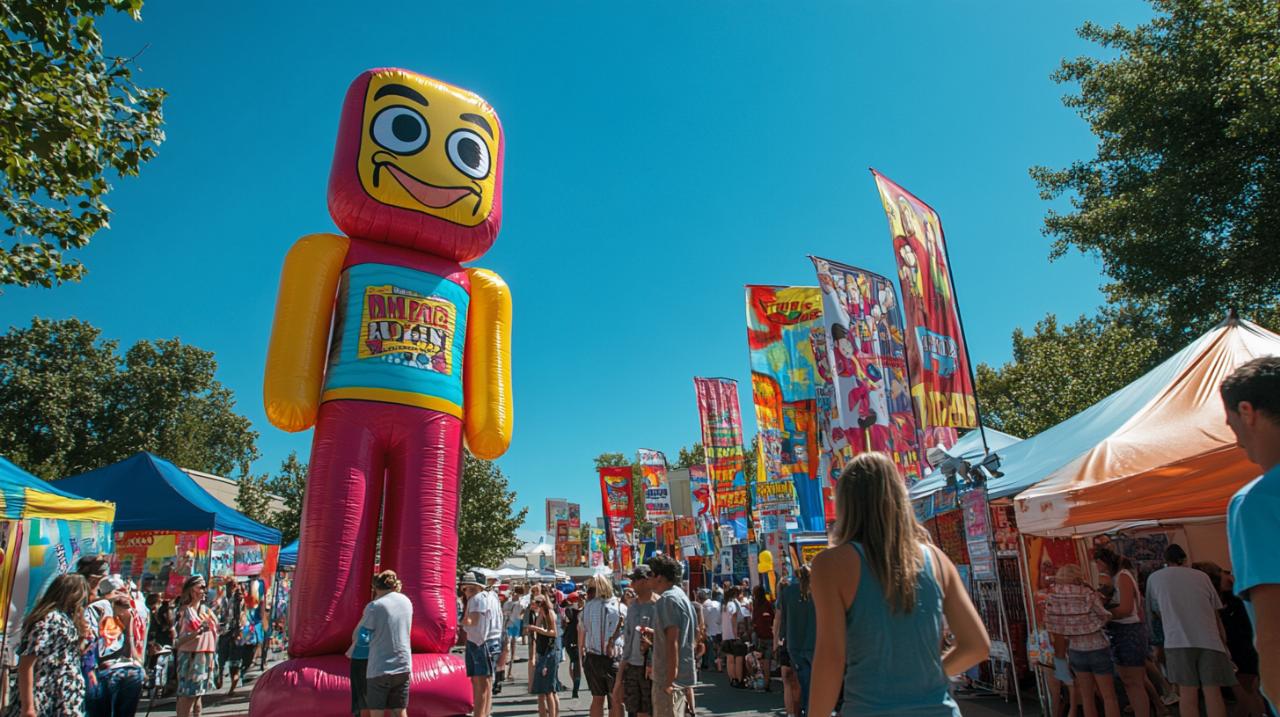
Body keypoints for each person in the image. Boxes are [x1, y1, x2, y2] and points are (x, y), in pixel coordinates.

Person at [808, 452, 989, 717]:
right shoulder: (936, 559)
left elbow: (831, 657)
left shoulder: (830, 565)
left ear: (845, 503)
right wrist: (930, 675)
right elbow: (977, 645)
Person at [1221, 357, 1280, 707]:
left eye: (1231, 425)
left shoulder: (1257, 501)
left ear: (1247, 412)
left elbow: (1274, 635)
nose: (1237, 442)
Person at [1146, 544, 1236, 717]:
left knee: (1187, 694)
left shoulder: (1155, 578)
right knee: (1213, 693)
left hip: (1177, 640)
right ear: (1185, 558)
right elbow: (1215, 612)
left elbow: (1155, 612)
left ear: (1166, 560)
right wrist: (1223, 642)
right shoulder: (1201, 576)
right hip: (1210, 640)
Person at [5, 574, 90, 717]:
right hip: (47, 695)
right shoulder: (50, 619)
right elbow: (26, 663)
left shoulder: (65, 618)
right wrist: (28, 707)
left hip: (63, 695)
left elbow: (65, 655)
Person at [1046, 564, 1120, 717]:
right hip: (1097, 647)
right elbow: (1104, 615)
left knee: (1087, 697)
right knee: (1109, 696)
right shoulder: (1087, 593)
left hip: (1076, 650)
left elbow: (1054, 625)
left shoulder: (1054, 597)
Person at [1193, 562, 1264, 717]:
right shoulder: (1227, 598)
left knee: (1247, 693)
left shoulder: (1234, 596)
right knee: (1249, 693)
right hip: (1241, 648)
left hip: (1242, 650)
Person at [1094, 546, 1151, 717]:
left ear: (1103, 562)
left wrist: (1105, 614)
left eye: (1098, 564)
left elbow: (1126, 608)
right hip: (1119, 631)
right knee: (1128, 681)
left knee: (1134, 682)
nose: (1097, 568)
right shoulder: (1114, 578)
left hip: (1129, 631)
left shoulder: (1123, 576)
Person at [647, 554, 698, 717]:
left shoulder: (668, 599)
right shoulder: (680, 596)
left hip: (668, 678)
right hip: (678, 677)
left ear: (659, 577)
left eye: (650, 574)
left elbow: (672, 642)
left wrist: (669, 681)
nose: (648, 579)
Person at [356, 571, 412, 717]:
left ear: (375, 588)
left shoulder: (374, 606)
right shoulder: (406, 601)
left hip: (380, 667)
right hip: (403, 664)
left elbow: (361, 637)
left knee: (377, 712)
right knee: (400, 711)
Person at [91, 588, 148, 717]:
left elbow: (129, 649)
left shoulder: (124, 619)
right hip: (107, 670)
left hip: (122, 669)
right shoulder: (101, 613)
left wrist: (129, 627)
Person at [613, 566, 657, 717]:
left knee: (652, 710)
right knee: (635, 711)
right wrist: (619, 679)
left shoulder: (659, 605)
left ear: (645, 581)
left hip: (651, 668)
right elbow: (628, 643)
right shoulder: (632, 607)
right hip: (632, 667)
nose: (631, 584)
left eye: (634, 580)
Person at [579, 575, 625, 717]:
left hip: (593, 656)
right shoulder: (619, 606)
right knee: (616, 700)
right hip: (613, 657)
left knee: (598, 699)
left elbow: (583, 630)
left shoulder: (588, 607)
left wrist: (581, 655)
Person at [174, 575, 218, 717]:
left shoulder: (206, 610)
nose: (205, 591)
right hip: (191, 656)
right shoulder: (184, 611)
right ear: (192, 590)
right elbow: (177, 640)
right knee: (188, 696)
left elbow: (216, 628)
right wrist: (196, 633)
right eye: (201, 587)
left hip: (206, 655)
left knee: (198, 698)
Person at [461, 570, 503, 717]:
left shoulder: (477, 599)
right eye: (465, 588)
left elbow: (473, 621)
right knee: (484, 682)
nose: (467, 591)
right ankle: (485, 713)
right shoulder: (492, 596)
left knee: (480, 684)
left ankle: (479, 714)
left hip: (481, 642)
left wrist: (460, 621)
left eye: (470, 588)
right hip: (487, 640)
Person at [777, 565, 816, 717]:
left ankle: (806, 710)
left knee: (803, 681)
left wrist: (781, 637)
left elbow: (783, 618)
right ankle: (811, 710)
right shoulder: (817, 590)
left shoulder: (787, 592)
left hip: (794, 643)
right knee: (814, 682)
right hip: (814, 642)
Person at [527, 595, 561, 717]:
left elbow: (553, 633)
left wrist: (535, 628)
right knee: (541, 692)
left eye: (535, 603)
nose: (533, 606)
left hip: (549, 653)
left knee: (548, 691)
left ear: (541, 604)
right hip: (542, 653)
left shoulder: (548, 614)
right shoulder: (539, 615)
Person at [345, 590, 372, 717]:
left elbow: (357, 637)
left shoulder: (373, 609)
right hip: (365, 658)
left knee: (363, 701)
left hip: (362, 659)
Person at [751, 584, 775, 692]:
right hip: (768, 635)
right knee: (767, 661)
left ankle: (763, 681)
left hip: (760, 636)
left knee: (761, 660)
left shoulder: (756, 606)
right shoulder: (767, 604)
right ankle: (766, 682)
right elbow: (773, 617)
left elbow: (754, 621)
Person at [562, 592, 583, 699]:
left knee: (575, 662)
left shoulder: (581, 610)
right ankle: (576, 685)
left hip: (574, 638)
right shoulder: (570, 610)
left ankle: (576, 684)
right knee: (576, 662)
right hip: (573, 638)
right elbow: (569, 618)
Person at [701, 589, 722, 673]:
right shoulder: (718, 604)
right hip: (717, 630)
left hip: (707, 630)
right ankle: (715, 665)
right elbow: (720, 619)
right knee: (715, 648)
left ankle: (707, 664)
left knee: (708, 648)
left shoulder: (702, 607)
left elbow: (703, 621)